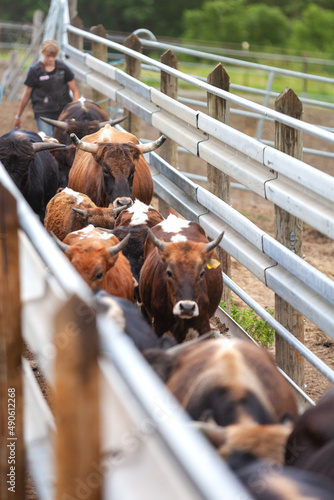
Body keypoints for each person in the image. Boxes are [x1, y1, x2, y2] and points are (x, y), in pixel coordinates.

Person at [14, 39, 80, 136]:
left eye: (53, 56)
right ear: (43, 53)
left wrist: (75, 109)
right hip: (43, 113)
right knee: (49, 141)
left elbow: (75, 91)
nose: (51, 59)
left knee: (65, 141)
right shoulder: (35, 71)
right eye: (48, 56)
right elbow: (26, 94)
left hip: (62, 111)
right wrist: (18, 116)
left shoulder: (63, 68)